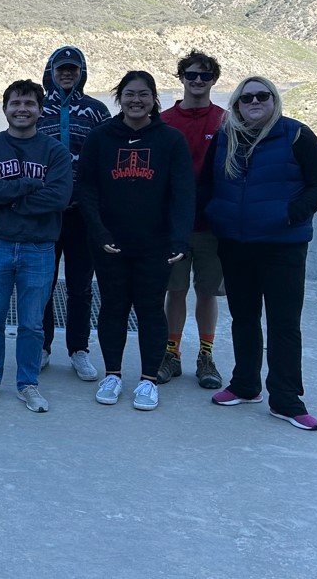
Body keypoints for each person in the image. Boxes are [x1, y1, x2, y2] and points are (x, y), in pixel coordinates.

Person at [202, 77, 317, 431]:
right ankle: (246, 385)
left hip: (283, 246)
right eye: (247, 97)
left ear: (274, 101)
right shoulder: (225, 137)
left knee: (284, 324)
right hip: (236, 243)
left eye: (263, 96)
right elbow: (207, 184)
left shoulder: (296, 134)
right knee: (244, 318)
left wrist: (289, 214)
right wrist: (214, 215)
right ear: (237, 104)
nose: (255, 101)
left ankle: (287, 399)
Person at [76, 72, 194, 412]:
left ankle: (148, 380)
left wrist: (180, 239)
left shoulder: (170, 140)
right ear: (120, 97)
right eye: (129, 94)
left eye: (143, 94)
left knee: (150, 309)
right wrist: (98, 232)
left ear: (154, 98)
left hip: (155, 245)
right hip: (111, 243)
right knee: (113, 307)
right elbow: (86, 189)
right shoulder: (100, 138)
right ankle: (112, 374)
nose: (136, 101)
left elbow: (183, 194)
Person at [0, 82, 74, 413]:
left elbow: (59, 197)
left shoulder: (55, 152)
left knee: (31, 323)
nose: (22, 108)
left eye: (29, 103)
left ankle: (28, 384)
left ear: (41, 110)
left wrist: (10, 199)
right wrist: (29, 186)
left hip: (39, 248)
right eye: (15, 103)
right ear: (5, 108)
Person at [36, 46, 110, 380]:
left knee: (80, 286)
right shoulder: (38, 108)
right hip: (47, 213)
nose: (67, 74)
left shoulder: (96, 111)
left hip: (83, 214)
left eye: (73, 69)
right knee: (42, 284)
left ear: (82, 72)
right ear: (50, 71)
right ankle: (42, 346)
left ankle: (79, 349)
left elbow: (109, 156)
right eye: (61, 68)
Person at [159, 51, 227, 389]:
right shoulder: (165, 120)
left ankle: (206, 354)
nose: (197, 80)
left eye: (204, 75)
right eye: (191, 74)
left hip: (212, 224)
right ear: (181, 77)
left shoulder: (226, 120)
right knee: (175, 289)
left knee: (207, 292)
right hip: (174, 224)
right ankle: (171, 353)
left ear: (214, 79)